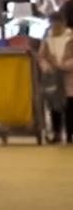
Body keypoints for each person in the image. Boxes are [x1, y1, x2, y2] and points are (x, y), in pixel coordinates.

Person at [39, 13, 72, 143]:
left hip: (69, 78)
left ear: (64, 23)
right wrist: (47, 67)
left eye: (58, 23)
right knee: (54, 108)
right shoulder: (47, 39)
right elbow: (42, 57)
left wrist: (64, 65)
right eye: (53, 23)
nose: (55, 26)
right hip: (53, 79)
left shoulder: (71, 38)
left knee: (70, 108)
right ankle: (56, 133)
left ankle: (70, 134)